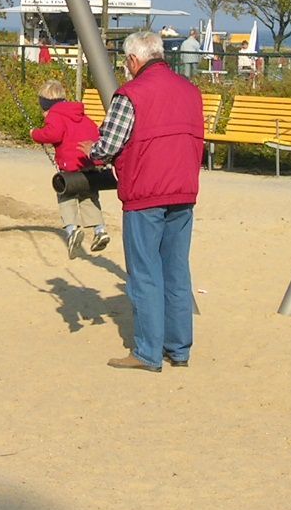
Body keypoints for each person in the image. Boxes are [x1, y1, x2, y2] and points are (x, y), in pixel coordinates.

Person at [86, 30, 204, 372]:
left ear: (133, 60)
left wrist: (92, 152)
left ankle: (148, 352)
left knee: (145, 273)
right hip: (183, 189)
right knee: (176, 271)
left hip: (145, 192)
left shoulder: (131, 94)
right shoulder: (190, 91)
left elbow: (108, 145)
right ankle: (179, 349)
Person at [30, 79, 111, 258]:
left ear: (45, 105)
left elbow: (53, 134)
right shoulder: (80, 114)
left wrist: (35, 134)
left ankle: (72, 230)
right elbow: (95, 132)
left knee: (66, 196)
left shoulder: (55, 115)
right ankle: (100, 231)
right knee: (89, 197)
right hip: (89, 165)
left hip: (70, 167)